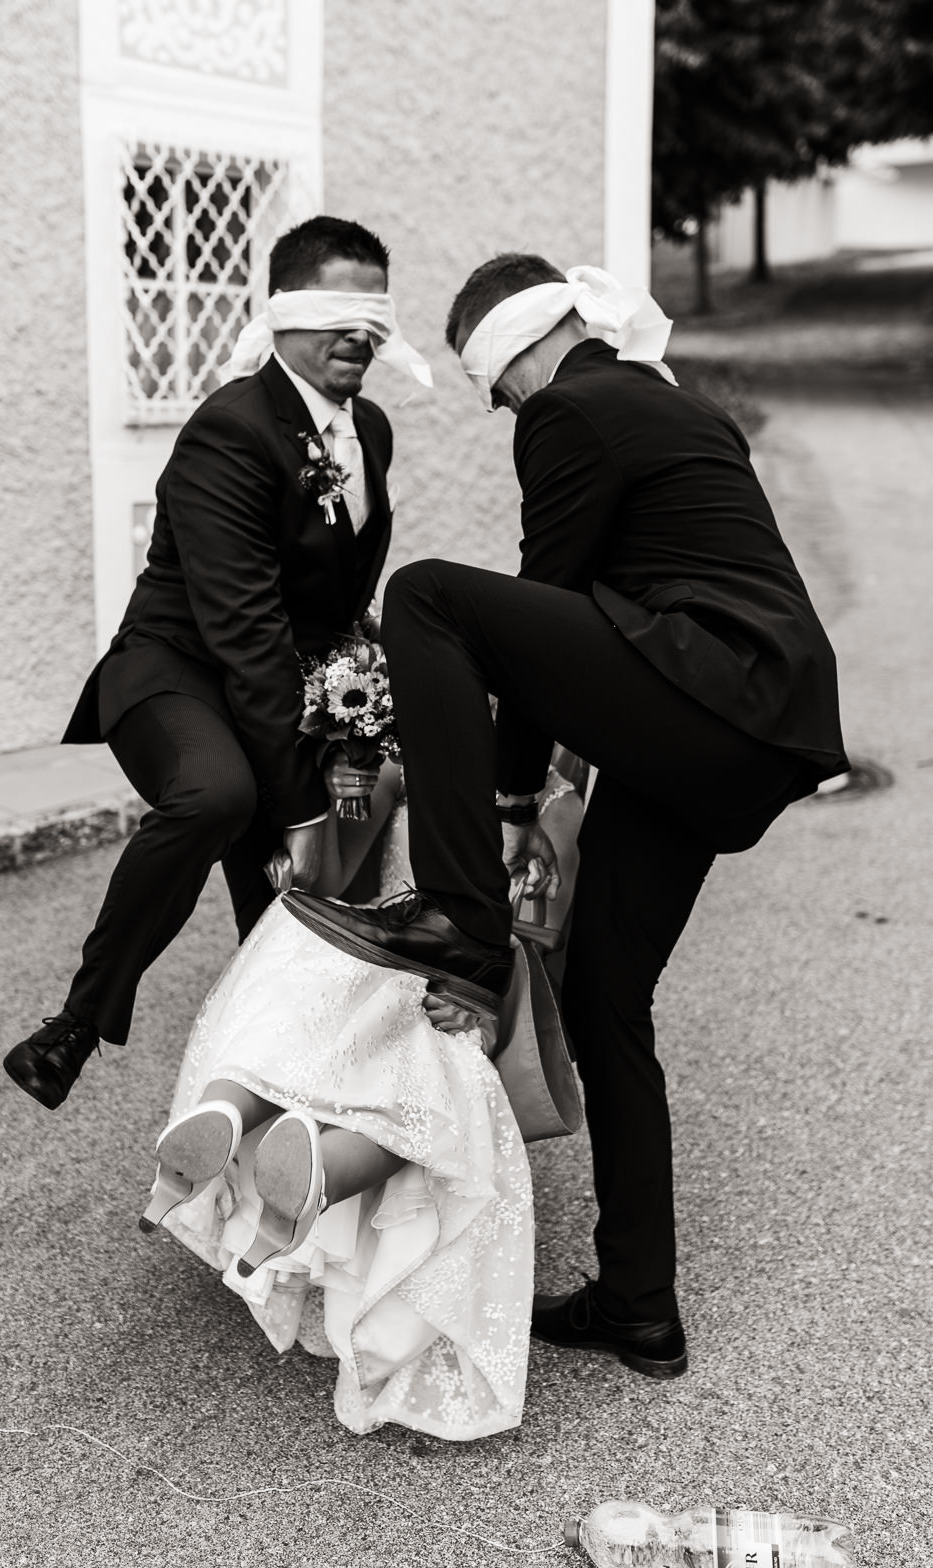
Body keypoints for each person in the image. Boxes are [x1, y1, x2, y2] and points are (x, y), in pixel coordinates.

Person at [282, 257, 850, 1380]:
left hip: (711, 688)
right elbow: (578, 631)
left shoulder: (573, 411)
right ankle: (640, 1304)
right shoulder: (669, 405)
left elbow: (533, 624)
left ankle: (459, 921)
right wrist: (513, 781)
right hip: (740, 728)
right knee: (604, 995)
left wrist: (494, 811)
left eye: (491, 385)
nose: (500, 408)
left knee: (429, 596)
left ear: (521, 352)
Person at [2, 216, 431, 1113]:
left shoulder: (373, 431)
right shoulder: (229, 430)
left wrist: (372, 695)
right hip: (177, 673)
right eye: (336, 309)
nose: (360, 331)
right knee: (222, 797)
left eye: (375, 312)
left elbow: (337, 594)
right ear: (282, 314)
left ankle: (278, 1111)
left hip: (284, 681)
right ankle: (76, 1023)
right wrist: (305, 803)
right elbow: (243, 627)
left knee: (283, 913)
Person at [139, 753, 584, 1438]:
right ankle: (316, 1178)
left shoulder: (426, 771)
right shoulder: (539, 802)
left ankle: (230, 1108)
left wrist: (356, 799)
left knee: (323, 1054)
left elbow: (330, 883)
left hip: (373, 971)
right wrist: (356, 799)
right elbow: (544, 941)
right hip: (423, 980)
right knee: (418, 1100)